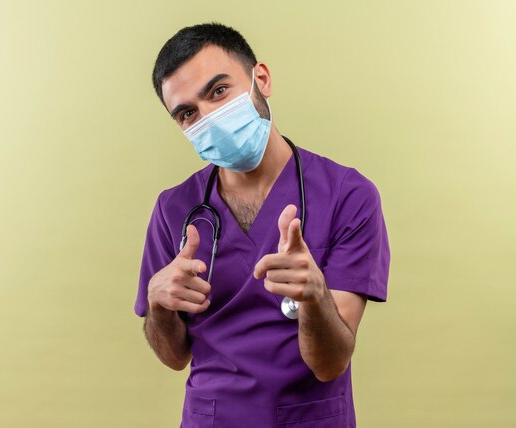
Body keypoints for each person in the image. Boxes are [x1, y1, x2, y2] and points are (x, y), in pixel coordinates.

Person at [134, 22, 391, 427]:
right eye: (187, 114)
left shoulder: (348, 195)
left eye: (219, 91)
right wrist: (157, 303)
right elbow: (173, 357)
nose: (209, 118)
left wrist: (315, 296)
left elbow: (331, 363)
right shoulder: (173, 209)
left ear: (262, 80)